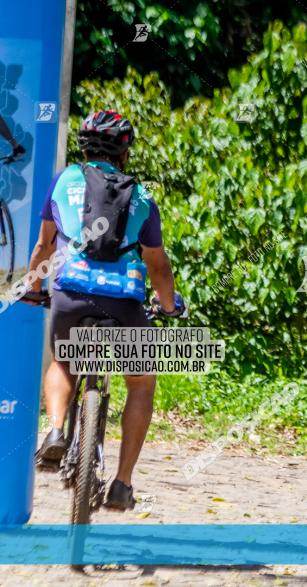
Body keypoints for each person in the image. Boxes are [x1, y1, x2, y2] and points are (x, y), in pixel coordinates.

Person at [26, 110, 186, 510]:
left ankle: (55, 431)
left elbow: (45, 247)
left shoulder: (63, 182)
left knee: (63, 361)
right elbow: (158, 266)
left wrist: (33, 287)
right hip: (124, 304)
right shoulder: (143, 198)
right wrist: (169, 307)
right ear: (124, 151)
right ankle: (122, 483)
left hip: (69, 296)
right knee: (141, 380)